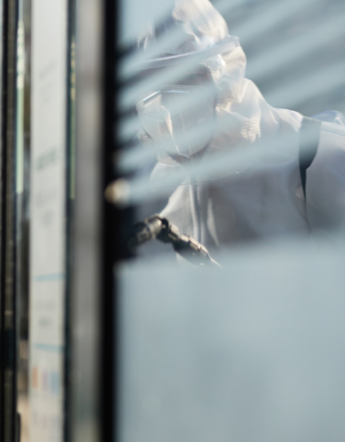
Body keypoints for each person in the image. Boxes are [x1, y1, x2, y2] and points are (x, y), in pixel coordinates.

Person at [131, 0, 345, 256]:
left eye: (187, 77)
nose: (168, 103)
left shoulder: (318, 158)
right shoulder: (147, 185)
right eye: (155, 86)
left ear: (224, 69)